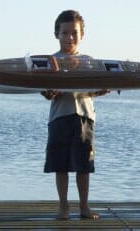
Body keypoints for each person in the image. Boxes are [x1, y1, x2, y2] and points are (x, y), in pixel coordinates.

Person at [41, 10, 109, 220]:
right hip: (59, 117)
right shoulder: (49, 61)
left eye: (74, 33)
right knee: (60, 165)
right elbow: (44, 91)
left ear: (82, 35)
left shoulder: (90, 62)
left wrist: (102, 90)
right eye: (65, 33)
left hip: (84, 117)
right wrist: (49, 92)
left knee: (84, 166)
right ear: (57, 34)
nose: (70, 37)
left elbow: (94, 90)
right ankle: (63, 207)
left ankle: (84, 207)